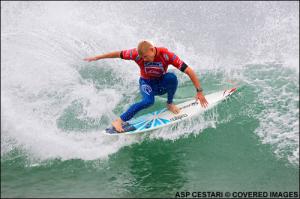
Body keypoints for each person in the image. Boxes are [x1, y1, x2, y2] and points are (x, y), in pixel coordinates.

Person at [84, 40, 208, 133]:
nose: (144, 60)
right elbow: (118, 54)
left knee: (172, 78)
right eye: (142, 58)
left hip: (160, 82)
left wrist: (199, 91)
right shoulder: (136, 54)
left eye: (146, 57)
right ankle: (119, 121)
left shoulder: (166, 55)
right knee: (148, 101)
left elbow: (188, 71)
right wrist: (98, 57)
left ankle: (170, 103)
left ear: (152, 49)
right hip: (146, 83)